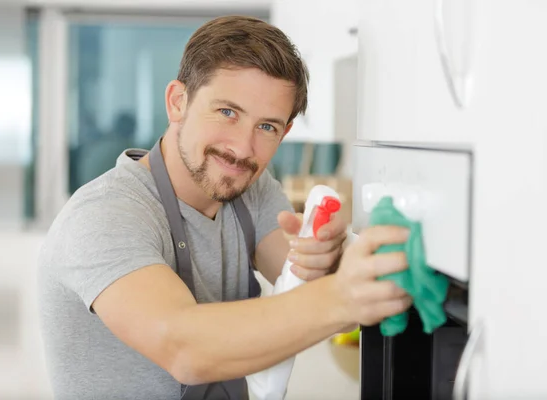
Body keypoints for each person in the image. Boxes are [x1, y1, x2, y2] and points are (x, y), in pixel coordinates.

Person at [37, 15, 412, 400]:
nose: (242, 148)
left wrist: (329, 258)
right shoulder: (104, 215)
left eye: (266, 127)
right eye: (227, 112)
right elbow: (184, 347)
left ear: (284, 133)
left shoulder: (249, 187)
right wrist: (339, 296)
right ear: (178, 102)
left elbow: (298, 272)